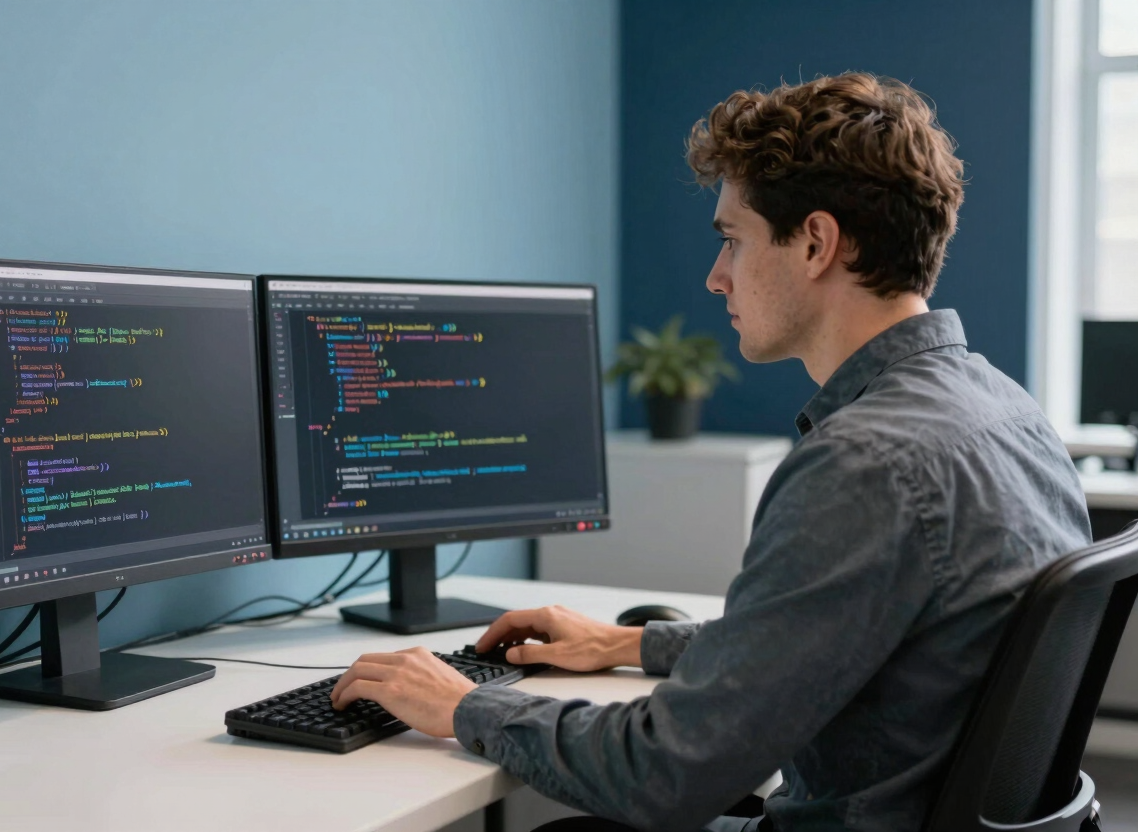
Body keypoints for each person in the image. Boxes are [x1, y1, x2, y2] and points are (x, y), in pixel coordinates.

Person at [328, 72, 1092, 832]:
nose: (715, 275)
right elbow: (840, 636)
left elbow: (665, 774)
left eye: (733, 239)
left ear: (816, 244)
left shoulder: (865, 463)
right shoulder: (1007, 411)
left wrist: (465, 703)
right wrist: (627, 642)